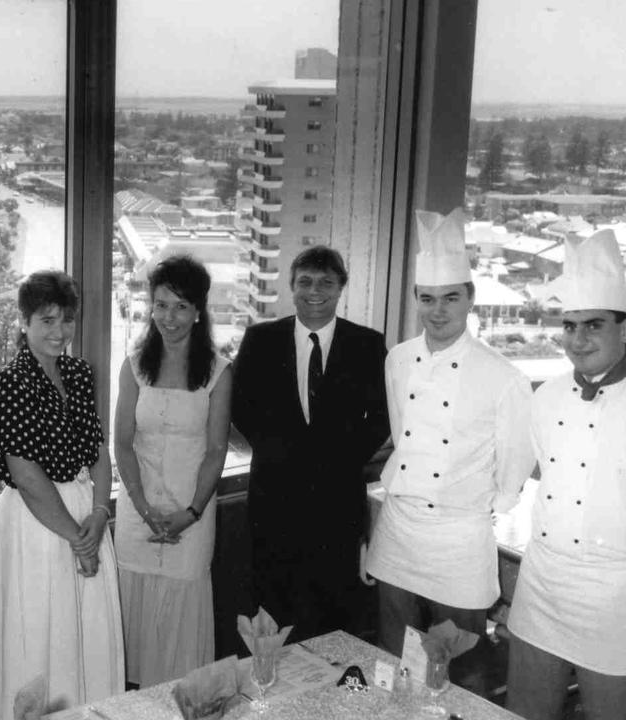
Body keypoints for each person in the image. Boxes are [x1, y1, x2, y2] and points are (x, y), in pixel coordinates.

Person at [366, 208, 533, 691]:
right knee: (394, 654)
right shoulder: (398, 360)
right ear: (416, 298)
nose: (438, 311)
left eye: (450, 298)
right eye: (428, 299)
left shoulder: (503, 375)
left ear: (470, 298)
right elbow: (402, 433)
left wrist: (479, 507)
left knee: (465, 663)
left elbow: (515, 463)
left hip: (460, 537)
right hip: (399, 528)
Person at [231, 245, 389, 642]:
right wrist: (279, 450)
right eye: (305, 282)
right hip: (273, 502)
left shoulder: (368, 344)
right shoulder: (260, 339)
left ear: (341, 288)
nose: (314, 291)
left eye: (326, 282)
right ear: (291, 287)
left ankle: (336, 701)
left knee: (334, 622)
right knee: (271, 620)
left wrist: (345, 457)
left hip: (337, 504)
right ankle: (274, 701)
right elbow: (240, 409)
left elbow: (385, 415)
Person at [0, 269, 124, 719]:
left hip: (85, 513)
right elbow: (25, 476)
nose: (58, 332)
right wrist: (77, 538)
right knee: (44, 635)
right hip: (37, 523)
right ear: (24, 322)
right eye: (46, 320)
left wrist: (100, 515)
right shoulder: (11, 382)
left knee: (88, 632)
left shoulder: (80, 373)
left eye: (66, 320)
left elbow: (98, 452)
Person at [506, 228, 626, 720]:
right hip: (544, 584)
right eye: (569, 326)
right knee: (526, 713)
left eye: (593, 325)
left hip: (615, 595)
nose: (577, 340)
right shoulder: (546, 396)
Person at [113, 255, 231, 686]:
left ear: (199, 311)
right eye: (161, 305)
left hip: (191, 516)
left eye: (181, 306)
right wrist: (143, 507)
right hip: (136, 513)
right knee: (132, 623)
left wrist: (192, 511)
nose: (169, 317)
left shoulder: (218, 371)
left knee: (180, 628)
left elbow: (217, 450)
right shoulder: (134, 364)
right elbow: (122, 443)